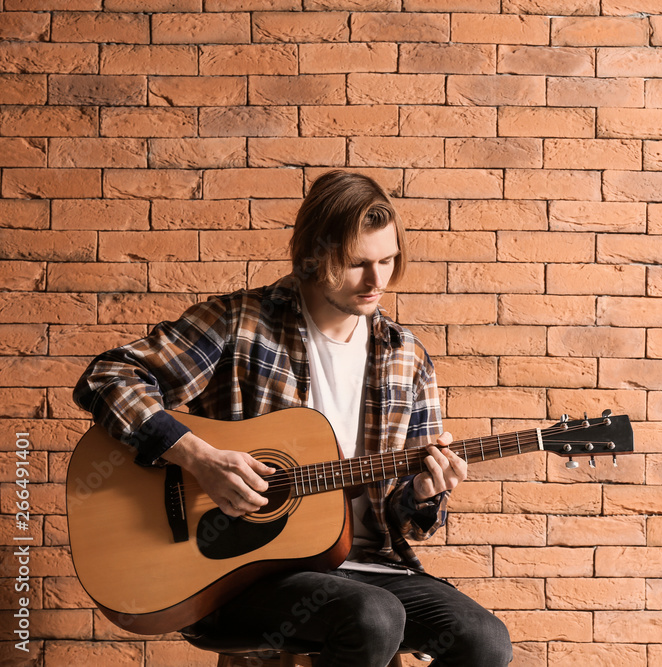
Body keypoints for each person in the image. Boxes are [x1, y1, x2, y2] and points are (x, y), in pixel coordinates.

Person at [73, 170, 513, 667]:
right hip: (245, 572)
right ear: (313, 256)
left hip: (371, 569)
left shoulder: (406, 357)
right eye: (357, 264)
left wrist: (424, 494)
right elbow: (107, 378)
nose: (377, 282)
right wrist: (200, 458)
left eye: (388, 261)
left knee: (485, 641)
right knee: (373, 616)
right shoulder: (240, 323)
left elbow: (405, 521)